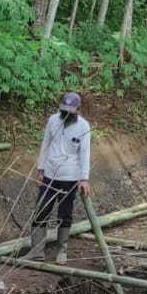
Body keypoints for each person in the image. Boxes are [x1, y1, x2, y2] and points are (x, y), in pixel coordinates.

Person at [22, 91, 92, 264]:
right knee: (41, 210)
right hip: (50, 174)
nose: (66, 113)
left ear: (77, 110)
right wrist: (41, 169)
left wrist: (84, 179)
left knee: (64, 213)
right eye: (64, 109)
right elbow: (45, 144)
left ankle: (62, 250)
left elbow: (84, 153)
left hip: (70, 177)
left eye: (70, 111)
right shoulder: (53, 120)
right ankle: (37, 250)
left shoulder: (83, 127)